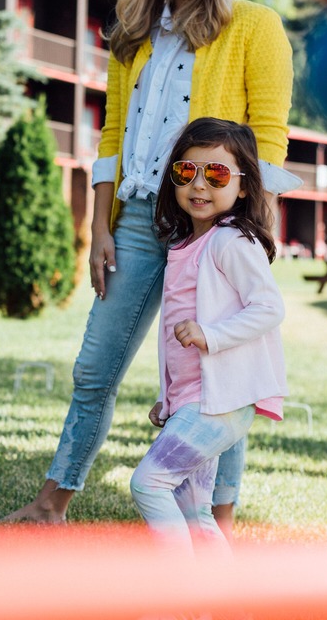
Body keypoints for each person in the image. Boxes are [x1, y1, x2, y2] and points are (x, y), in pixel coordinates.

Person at [4, 0, 297, 529]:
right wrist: (99, 226)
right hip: (138, 218)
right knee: (95, 366)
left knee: (221, 377)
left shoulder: (255, 26)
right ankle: (52, 504)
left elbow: (269, 137)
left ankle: (217, 524)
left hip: (213, 222)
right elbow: (112, 135)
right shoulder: (133, 31)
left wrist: (250, 227)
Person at [130, 119, 286, 553]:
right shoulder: (185, 245)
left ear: (243, 186)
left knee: (149, 482)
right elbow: (174, 340)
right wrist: (168, 398)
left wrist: (210, 335)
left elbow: (269, 308)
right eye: (186, 172)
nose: (199, 185)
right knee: (194, 512)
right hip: (195, 401)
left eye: (216, 174)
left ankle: (179, 587)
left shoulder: (231, 241)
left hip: (221, 401)